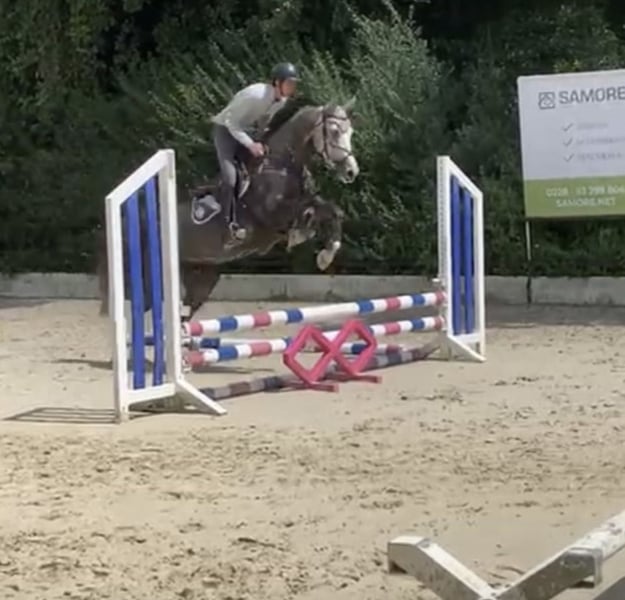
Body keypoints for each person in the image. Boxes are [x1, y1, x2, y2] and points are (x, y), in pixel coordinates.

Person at [211, 62, 300, 240]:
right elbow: (230, 122)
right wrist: (251, 144)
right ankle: (226, 225)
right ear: (277, 82)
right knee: (231, 178)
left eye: (294, 84)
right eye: (289, 83)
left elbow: (264, 121)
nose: (292, 87)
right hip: (225, 131)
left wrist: (260, 140)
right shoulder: (256, 95)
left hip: (245, 131)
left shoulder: (281, 101)